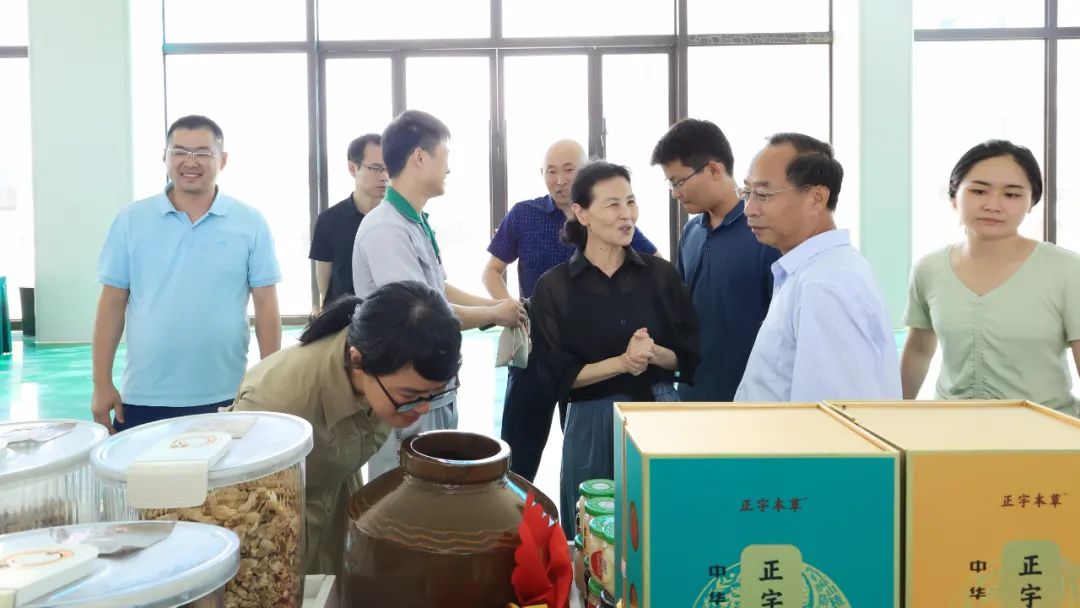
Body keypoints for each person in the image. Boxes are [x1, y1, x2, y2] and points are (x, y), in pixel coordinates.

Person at [232, 280, 462, 575]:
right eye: (411, 396)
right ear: (357, 361)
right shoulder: (275, 404)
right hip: (277, 541)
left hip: (334, 511)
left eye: (434, 394)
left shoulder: (381, 372)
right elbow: (245, 513)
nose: (423, 408)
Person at [351, 109, 525, 479]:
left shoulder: (412, 221)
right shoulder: (386, 230)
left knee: (437, 493)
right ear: (420, 157)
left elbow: (438, 289)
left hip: (432, 390)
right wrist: (495, 314)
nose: (449, 167)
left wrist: (498, 305)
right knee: (404, 498)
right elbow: (421, 318)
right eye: (445, 155)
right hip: (405, 396)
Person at [529, 161, 699, 536]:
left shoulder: (661, 275)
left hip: (657, 410)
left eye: (631, 202)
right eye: (612, 204)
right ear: (582, 213)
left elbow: (686, 356)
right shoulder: (555, 288)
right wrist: (623, 362)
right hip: (590, 420)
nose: (627, 214)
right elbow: (558, 376)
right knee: (593, 533)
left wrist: (652, 353)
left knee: (664, 527)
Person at [91, 115, 281, 433]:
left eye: (203, 153)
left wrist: (270, 381)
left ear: (222, 160)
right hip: (145, 395)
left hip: (226, 393)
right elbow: (111, 305)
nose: (190, 162)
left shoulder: (250, 222)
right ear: (165, 157)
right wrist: (101, 382)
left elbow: (266, 308)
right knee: (142, 467)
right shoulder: (131, 220)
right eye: (179, 151)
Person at [483, 139, 658, 481]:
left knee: (587, 453)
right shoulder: (523, 214)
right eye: (551, 171)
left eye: (568, 171)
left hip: (589, 356)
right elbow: (491, 271)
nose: (560, 180)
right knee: (518, 453)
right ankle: (512, 513)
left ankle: (581, 515)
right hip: (534, 348)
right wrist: (511, 308)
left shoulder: (603, 215)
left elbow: (653, 264)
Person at [902, 140, 1080, 414]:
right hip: (951, 428)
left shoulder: (1067, 269)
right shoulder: (929, 268)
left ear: (1032, 202)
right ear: (954, 196)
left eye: (1012, 194)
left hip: (1046, 429)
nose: (993, 205)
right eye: (979, 191)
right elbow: (919, 350)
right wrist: (895, 415)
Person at [734, 133, 900, 403]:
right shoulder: (812, 271)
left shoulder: (825, 284)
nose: (749, 209)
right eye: (746, 193)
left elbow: (833, 415)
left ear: (817, 198)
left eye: (763, 194)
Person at [651, 119, 779, 402]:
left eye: (679, 181)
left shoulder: (764, 233)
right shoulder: (691, 232)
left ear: (713, 170)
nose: (675, 192)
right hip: (691, 395)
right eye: (670, 183)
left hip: (749, 401)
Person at [309, 133, 388, 312]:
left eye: (388, 167)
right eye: (376, 168)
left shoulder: (398, 220)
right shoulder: (328, 220)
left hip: (389, 319)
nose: (384, 176)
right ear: (353, 168)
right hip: (344, 320)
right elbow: (324, 281)